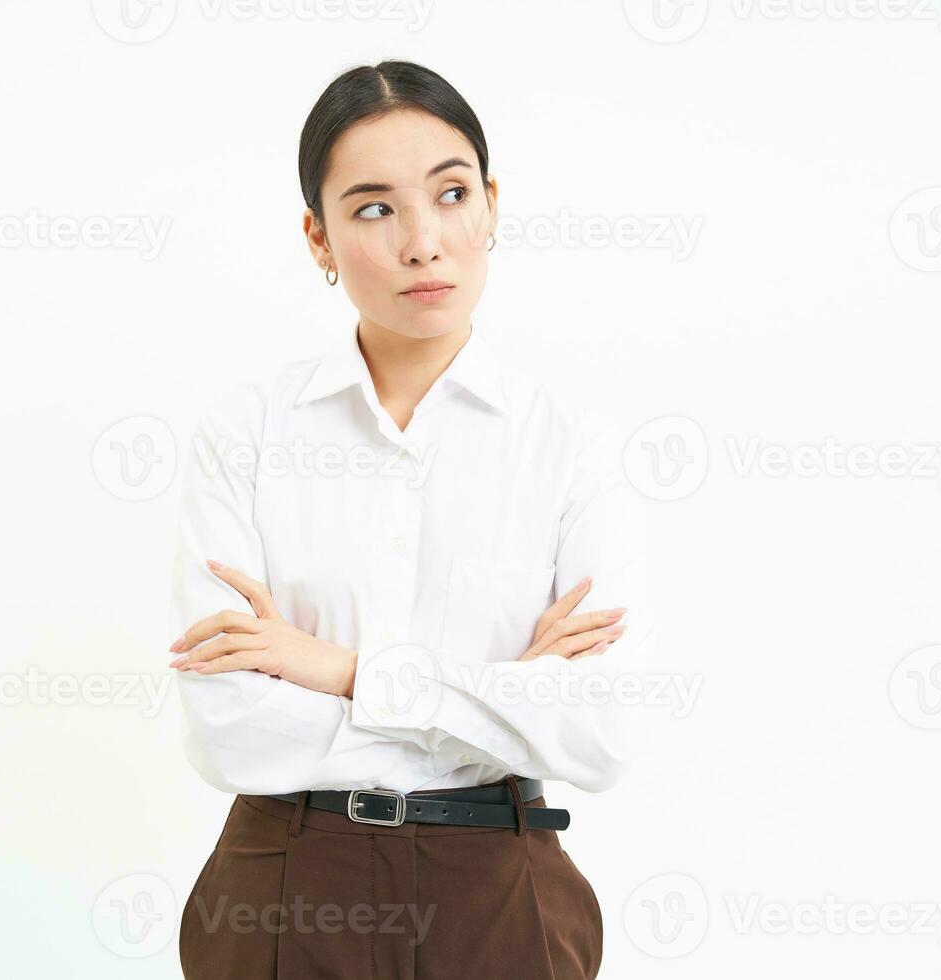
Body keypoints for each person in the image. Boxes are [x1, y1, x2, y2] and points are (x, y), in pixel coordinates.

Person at [167, 59, 653, 979]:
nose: (424, 242)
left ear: (493, 205)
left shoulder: (568, 446)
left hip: (502, 889)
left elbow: (599, 731)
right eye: (375, 208)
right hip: (285, 883)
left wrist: (340, 671)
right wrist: (505, 695)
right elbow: (229, 727)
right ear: (318, 237)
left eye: (452, 193)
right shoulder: (250, 434)